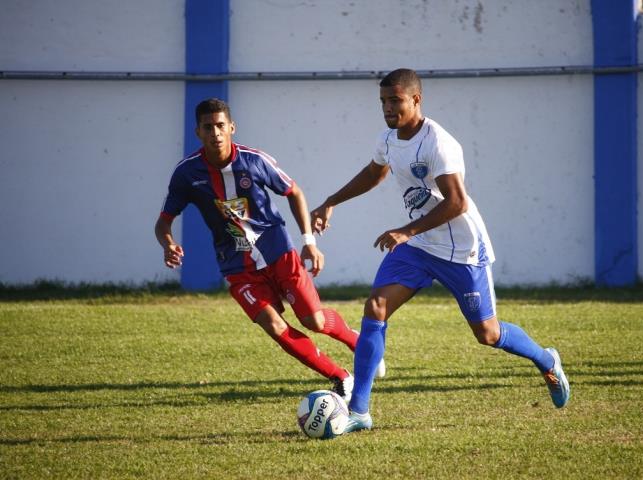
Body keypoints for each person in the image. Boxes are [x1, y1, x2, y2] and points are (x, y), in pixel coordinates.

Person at [311, 68, 569, 433]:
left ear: (416, 100)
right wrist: (331, 202)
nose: (387, 107)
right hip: (419, 245)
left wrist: (405, 230)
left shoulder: (438, 143)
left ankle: (546, 360)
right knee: (376, 306)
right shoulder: (388, 139)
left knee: (488, 334)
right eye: (383, 101)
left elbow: (458, 203)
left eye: (395, 100)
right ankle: (359, 411)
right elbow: (374, 174)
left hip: (461, 249)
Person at [155, 98, 383, 402]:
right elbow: (163, 222)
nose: (216, 133)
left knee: (314, 321)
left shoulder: (254, 161)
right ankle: (340, 376)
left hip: (279, 253)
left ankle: (356, 339)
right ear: (198, 132)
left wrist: (309, 243)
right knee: (275, 326)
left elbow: (294, 192)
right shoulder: (187, 174)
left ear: (231, 127)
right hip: (237, 267)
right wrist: (168, 244)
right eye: (208, 127)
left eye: (221, 126)